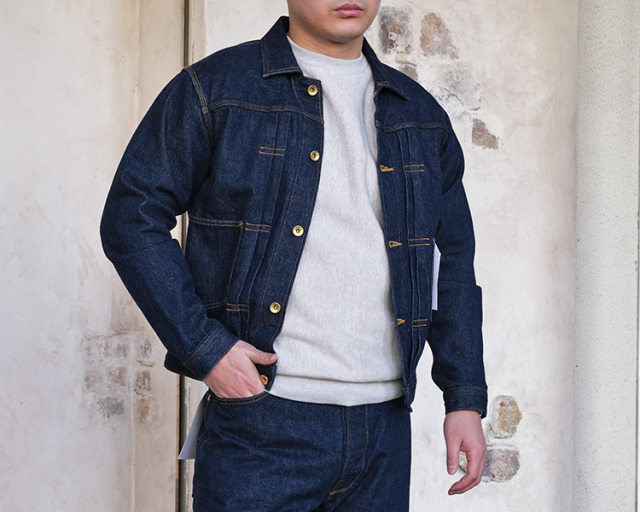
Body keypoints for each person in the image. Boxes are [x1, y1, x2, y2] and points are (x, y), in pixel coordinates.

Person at [101, 1, 488, 510]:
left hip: (384, 433)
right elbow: (131, 217)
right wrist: (205, 348)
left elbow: (450, 260)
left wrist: (464, 398)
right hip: (262, 424)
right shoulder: (216, 89)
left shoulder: (419, 115)